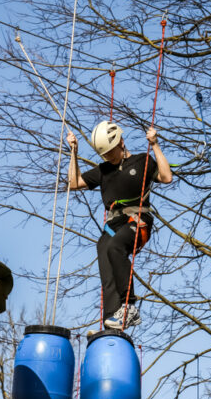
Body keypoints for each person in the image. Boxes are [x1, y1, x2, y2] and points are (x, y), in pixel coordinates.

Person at [67, 121, 173, 329]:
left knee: (116, 247)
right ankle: (111, 321)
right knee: (105, 254)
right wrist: (74, 151)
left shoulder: (142, 161)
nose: (108, 157)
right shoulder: (104, 170)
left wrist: (156, 145)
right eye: (104, 154)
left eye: (110, 152)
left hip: (137, 220)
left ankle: (129, 307)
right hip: (113, 225)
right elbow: (73, 183)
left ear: (121, 142)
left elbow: (166, 177)